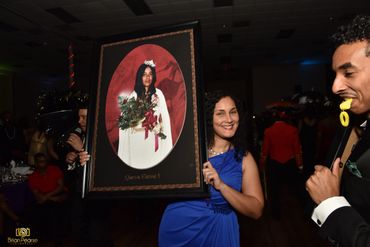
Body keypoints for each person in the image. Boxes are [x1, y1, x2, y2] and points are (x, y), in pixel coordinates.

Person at [157, 90, 264, 246]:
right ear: (209, 118)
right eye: (220, 114)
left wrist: (222, 186)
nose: (229, 119)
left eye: (233, 112)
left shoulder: (244, 158)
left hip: (219, 231)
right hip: (179, 227)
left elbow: (256, 210)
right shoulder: (190, 152)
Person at [306, 15, 370, 247]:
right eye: (335, 74)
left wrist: (331, 202)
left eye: (348, 73)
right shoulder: (355, 126)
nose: (335, 86)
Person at [117, 60, 173, 169]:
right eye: (144, 75)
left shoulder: (158, 94)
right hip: (137, 142)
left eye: (150, 74)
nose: (148, 77)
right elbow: (126, 125)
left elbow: (165, 119)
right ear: (140, 77)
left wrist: (159, 127)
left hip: (153, 140)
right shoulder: (133, 97)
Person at [260, 111, 303, 219]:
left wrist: (262, 165)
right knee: (293, 188)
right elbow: (297, 150)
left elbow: (265, 152)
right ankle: (297, 212)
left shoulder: (268, 131)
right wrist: (300, 165)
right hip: (290, 163)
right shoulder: (293, 130)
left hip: (274, 164)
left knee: (274, 190)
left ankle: (276, 214)